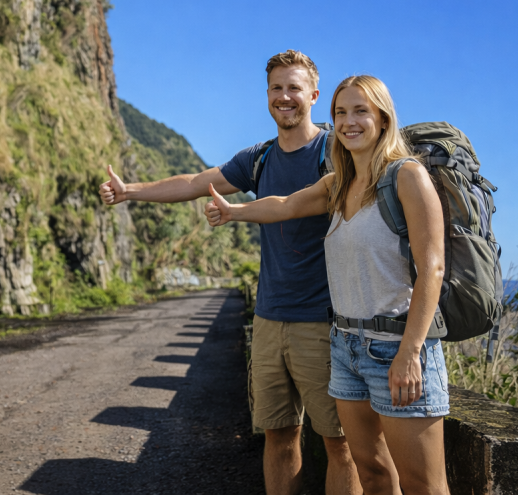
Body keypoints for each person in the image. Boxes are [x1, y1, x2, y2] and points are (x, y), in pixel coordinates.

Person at [100, 50, 361, 495]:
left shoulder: (333, 151)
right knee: (279, 435)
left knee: (340, 444)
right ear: (267, 95)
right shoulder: (258, 159)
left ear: (314, 95)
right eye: (277, 88)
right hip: (268, 319)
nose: (285, 97)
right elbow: (195, 182)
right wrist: (130, 191)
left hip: (322, 322)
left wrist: (238, 212)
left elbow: (302, 206)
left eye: (294, 88)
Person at [205, 74, 451, 495]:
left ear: (383, 117)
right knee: (372, 474)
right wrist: (233, 213)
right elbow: (286, 205)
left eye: (360, 111)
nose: (348, 121)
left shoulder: (406, 176)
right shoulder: (338, 182)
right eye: (340, 112)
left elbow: (433, 269)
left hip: (398, 346)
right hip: (345, 348)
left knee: (423, 485)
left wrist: (411, 352)